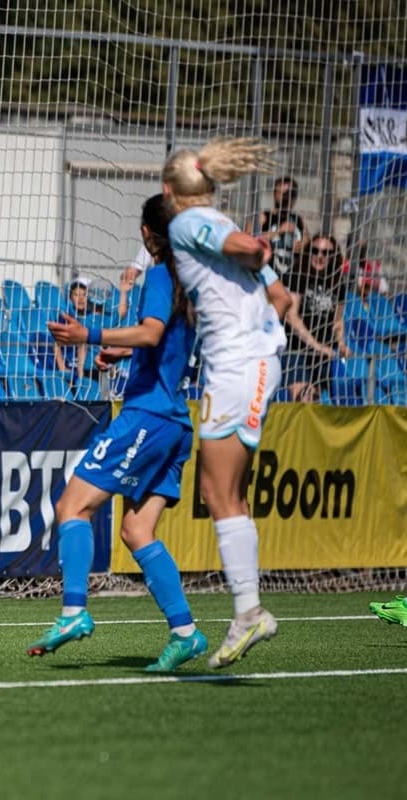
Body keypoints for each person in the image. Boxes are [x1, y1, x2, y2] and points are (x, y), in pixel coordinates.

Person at [27, 194, 206, 672]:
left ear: (148, 234)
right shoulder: (192, 280)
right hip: (176, 421)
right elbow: (165, 345)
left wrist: (90, 337)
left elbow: (149, 332)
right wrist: (124, 357)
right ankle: (186, 632)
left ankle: (73, 612)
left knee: (71, 506)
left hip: (147, 417)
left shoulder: (159, 275)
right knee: (136, 529)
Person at [163, 137, 293, 669]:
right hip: (253, 361)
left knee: (218, 492)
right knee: (225, 492)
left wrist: (254, 247)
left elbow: (242, 244)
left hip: (237, 365)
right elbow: (281, 297)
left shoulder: (187, 223)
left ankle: (250, 611)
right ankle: (248, 611)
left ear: (170, 190)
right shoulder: (209, 226)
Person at [282, 235, 351, 402]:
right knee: (304, 399)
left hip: (323, 355)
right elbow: (292, 317)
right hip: (296, 350)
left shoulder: (337, 283)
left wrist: (341, 343)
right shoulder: (296, 275)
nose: (320, 256)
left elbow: (337, 320)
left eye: (326, 252)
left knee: (320, 401)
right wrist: (317, 346)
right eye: (315, 251)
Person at [247, 175, 308, 277]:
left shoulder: (299, 219)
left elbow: (308, 241)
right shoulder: (264, 216)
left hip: (291, 277)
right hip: (265, 274)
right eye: (283, 193)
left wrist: (303, 244)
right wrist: (278, 232)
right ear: (275, 194)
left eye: (291, 194)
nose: (287, 197)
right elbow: (248, 238)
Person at [53, 277, 91, 379]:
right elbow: (56, 344)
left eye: (84, 295)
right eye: (76, 295)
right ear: (70, 297)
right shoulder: (65, 318)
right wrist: (62, 367)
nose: (81, 299)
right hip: (70, 365)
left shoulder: (94, 317)